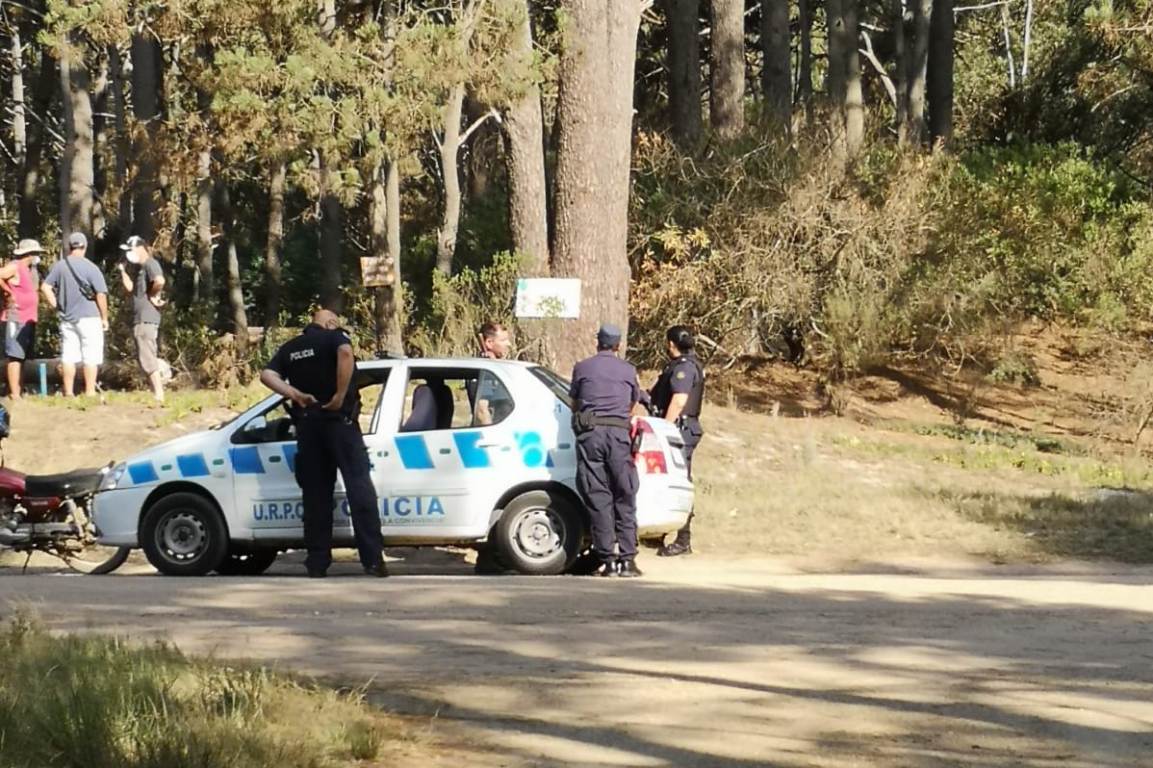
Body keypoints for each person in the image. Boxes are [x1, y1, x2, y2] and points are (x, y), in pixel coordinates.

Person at [260, 310, 388, 578]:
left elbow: (267, 376)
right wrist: (340, 395)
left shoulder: (291, 348)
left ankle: (317, 562)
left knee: (315, 496)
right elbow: (344, 354)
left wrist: (295, 394)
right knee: (358, 487)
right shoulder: (335, 337)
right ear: (330, 323)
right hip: (340, 423)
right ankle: (373, 559)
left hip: (308, 426)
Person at [569, 323, 643, 578]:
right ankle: (628, 560)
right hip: (619, 436)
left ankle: (608, 560)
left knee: (598, 497)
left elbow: (574, 403)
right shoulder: (628, 370)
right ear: (618, 345)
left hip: (591, 435)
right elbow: (632, 403)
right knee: (624, 493)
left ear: (597, 342)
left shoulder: (582, 367)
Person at [648, 325, 705, 557]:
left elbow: (679, 401)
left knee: (679, 481)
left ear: (671, 344)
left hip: (678, 430)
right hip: (680, 428)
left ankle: (683, 539)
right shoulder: (685, 364)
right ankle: (659, 532)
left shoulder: (684, 368)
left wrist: (664, 429)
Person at [41, 233, 109, 397]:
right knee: (90, 356)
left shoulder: (60, 267)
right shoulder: (91, 268)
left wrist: (56, 304)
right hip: (89, 317)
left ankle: (69, 392)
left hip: (67, 318)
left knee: (69, 356)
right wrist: (104, 317)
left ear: (69, 247)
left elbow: (45, 287)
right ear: (84, 247)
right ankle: (90, 391)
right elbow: (101, 294)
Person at [116, 236, 167, 402]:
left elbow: (159, 281)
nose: (129, 254)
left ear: (141, 248)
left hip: (147, 318)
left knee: (148, 357)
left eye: (131, 250)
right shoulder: (140, 269)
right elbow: (131, 289)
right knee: (145, 356)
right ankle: (155, 392)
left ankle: (159, 394)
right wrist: (122, 271)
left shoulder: (150, 264)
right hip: (140, 319)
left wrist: (152, 294)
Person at [0, 239, 45, 399]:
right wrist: (9, 292)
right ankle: (14, 393)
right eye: (36, 253)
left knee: (23, 356)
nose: (38, 256)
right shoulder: (15, 266)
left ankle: (20, 388)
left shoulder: (31, 270)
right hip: (16, 316)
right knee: (14, 356)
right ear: (29, 254)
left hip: (29, 318)